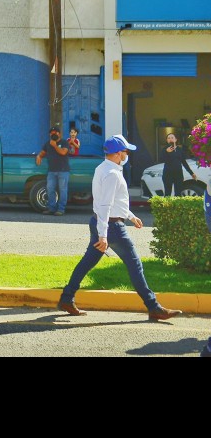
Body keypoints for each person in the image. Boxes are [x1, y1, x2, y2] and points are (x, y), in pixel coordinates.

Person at [56, 134, 183, 322]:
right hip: (112, 226)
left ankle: (66, 298)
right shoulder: (112, 174)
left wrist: (130, 216)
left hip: (102, 222)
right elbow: (105, 205)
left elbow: (114, 201)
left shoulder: (103, 168)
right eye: (125, 151)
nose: (127, 154)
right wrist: (104, 235)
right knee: (135, 264)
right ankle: (154, 307)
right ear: (117, 153)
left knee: (87, 262)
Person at [35, 125, 70, 215]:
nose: (53, 134)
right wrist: (39, 156)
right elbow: (43, 152)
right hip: (51, 171)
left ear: (59, 134)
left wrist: (55, 146)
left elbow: (63, 152)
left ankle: (61, 209)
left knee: (63, 190)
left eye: (55, 133)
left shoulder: (64, 142)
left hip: (63, 171)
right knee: (50, 189)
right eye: (51, 133)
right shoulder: (48, 144)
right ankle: (52, 208)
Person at [160, 132, 196, 196]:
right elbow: (162, 160)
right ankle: (167, 202)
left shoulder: (180, 150)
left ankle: (177, 202)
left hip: (178, 174)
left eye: (172, 137)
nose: (170, 139)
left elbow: (184, 162)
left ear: (176, 139)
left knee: (178, 193)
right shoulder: (164, 149)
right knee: (167, 193)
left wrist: (191, 173)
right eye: (168, 138)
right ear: (167, 140)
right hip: (168, 174)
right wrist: (167, 152)